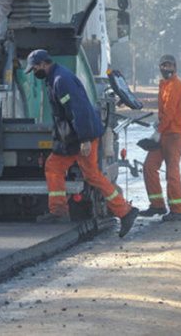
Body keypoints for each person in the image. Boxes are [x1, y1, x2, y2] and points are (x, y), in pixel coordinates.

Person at [26, 49, 139, 237]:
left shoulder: (61, 80)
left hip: (81, 136)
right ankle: (123, 211)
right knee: (78, 172)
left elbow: (79, 110)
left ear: (43, 64)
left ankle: (61, 212)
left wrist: (85, 139)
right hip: (75, 135)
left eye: (35, 68)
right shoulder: (56, 78)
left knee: (64, 168)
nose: (34, 72)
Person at [140, 54, 181, 221]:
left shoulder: (175, 85)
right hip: (164, 132)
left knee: (172, 171)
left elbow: (170, 113)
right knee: (149, 166)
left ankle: (178, 210)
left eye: (169, 65)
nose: (166, 68)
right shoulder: (164, 85)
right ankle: (157, 205)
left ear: (175, 67)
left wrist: (157, 133)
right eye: (163, 65)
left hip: (175, 135)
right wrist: (159, 128)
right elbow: (164, 114)